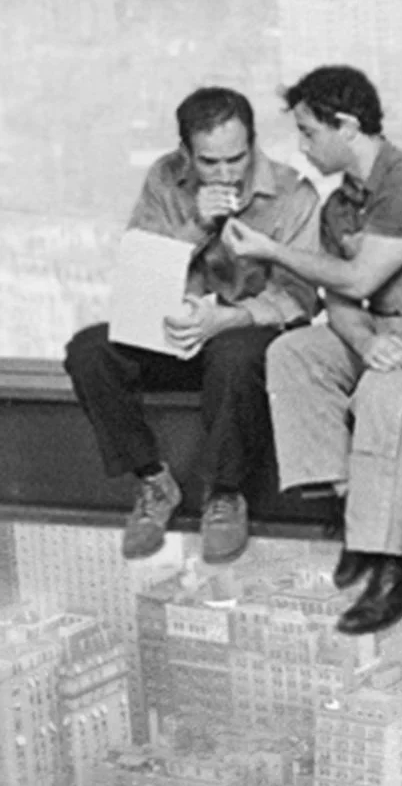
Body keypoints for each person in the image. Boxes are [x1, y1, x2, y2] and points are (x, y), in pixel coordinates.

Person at [227, 65, 402, 636]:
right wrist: (364, 340)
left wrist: (273, 251)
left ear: (349, 126)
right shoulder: (339, 206)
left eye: (310, 132)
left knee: (385, 392)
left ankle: (391, 566)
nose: (303, 146)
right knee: (293, 354)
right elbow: (339, 302)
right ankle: (351, 514)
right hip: (379, 326)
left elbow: (360, 277)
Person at [66, 87, 321, 564]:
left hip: (243, 337)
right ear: (187, 152)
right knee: (89, 350)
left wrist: (228, 318)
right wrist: (196, 227)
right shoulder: (164, 179)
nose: (226, 173)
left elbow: (299, 299)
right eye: (209, 162)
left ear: (253, 143)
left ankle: (224, 493)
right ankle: (153, 481)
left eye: (236, 159)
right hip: (176, 333)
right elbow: (139, 278)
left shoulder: (293, 194)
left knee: (236, 353)